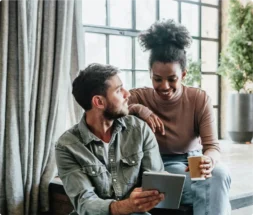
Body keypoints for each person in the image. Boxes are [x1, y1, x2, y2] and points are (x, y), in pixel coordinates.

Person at [128, 19, 231, 215]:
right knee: (208, 189)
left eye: (172, 79)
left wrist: (209, 160)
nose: (164, 86)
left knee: (220, 174)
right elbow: (111, 110)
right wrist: (141, 110)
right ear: (150, 74)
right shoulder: (138, 96)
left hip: (194, 160)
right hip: (162, 164)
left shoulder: (199, 99)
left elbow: (213, 147)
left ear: (183, 74)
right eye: (157, 79)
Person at [55, 63, 165, 215]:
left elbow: (156, 183)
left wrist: (147, 197)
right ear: (99, 102)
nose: (128, 94)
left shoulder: (139, 130)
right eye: (119, 90)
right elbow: (85, 203)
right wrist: (127, 205)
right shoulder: (67, 146)